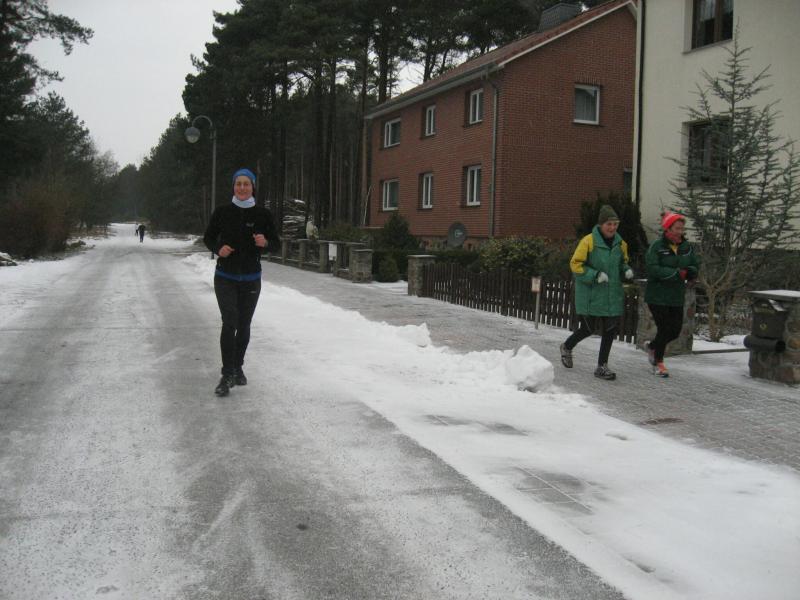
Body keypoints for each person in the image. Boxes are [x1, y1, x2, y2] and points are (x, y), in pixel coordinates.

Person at [203, 168, 280, 397]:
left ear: (253, 187)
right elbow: (208, 238)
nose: (242, 188)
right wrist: (218, 249)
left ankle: (238, 367)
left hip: (251, 279)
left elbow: (276, 243)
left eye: (247, 184)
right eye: (239, 184)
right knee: (230, 322)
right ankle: (227, 374)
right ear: (234, 187)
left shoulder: (263, 215)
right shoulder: (222, 212)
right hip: (225, 277)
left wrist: (265, 242)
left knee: (244, 324)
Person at [560, 205, 634, 380]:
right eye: (609, 224)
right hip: (591, 295)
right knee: (587, 329)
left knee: (609, 330)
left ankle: (602, 366)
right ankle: (567, 346)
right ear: (601, 224)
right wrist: (595, 275)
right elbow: (575, 264)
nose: (612, 228)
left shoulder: (621, 244)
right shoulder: (588, 241)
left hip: (611, 295)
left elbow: (622, 262)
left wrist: (626, 270)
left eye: (615, 224)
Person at [644, 211, 700, 377]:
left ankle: (652, 346)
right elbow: (652, 268)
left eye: (682, 229)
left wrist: (691, 272)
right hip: (657, 295)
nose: (680, 232)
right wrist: (677, 273)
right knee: (664, 329)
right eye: (677, 228)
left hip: (676, 295)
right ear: (668, 228)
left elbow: (694, 264)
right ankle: (658, 363)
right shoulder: (657, 247)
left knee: (674, 330)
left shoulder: (686, 247)